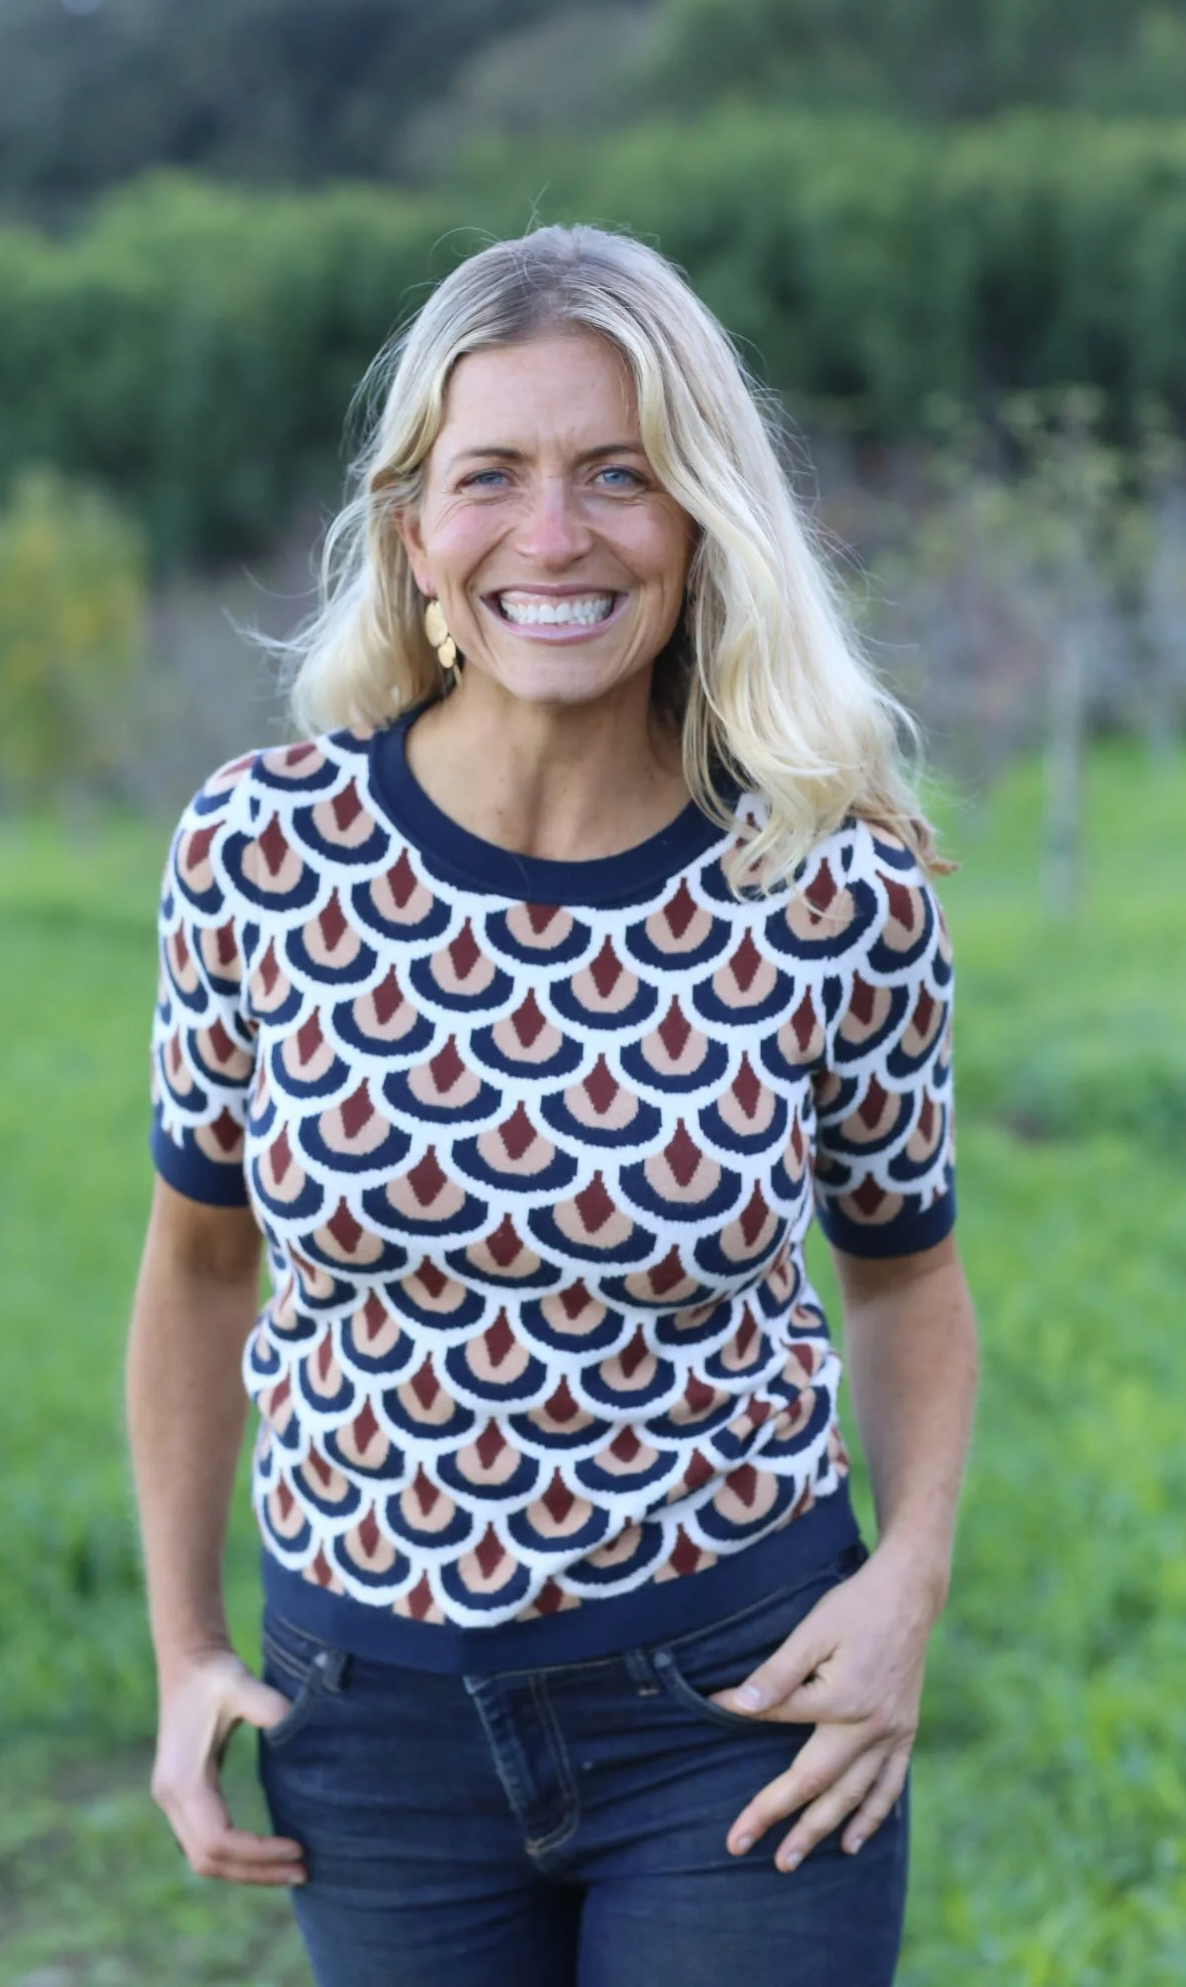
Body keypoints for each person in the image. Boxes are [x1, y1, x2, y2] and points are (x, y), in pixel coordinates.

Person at [126, 224, 977, 1987]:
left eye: (619, 474)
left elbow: (906, 1277)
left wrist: (905, 1591)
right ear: (414, 534)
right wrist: (184, 1646)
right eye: (491, 476)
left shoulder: (833, 881)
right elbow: (199, 1270)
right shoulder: (259, 855)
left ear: (702, 522)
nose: (555, 534)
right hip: (367, 1729)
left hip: (744, 1706)